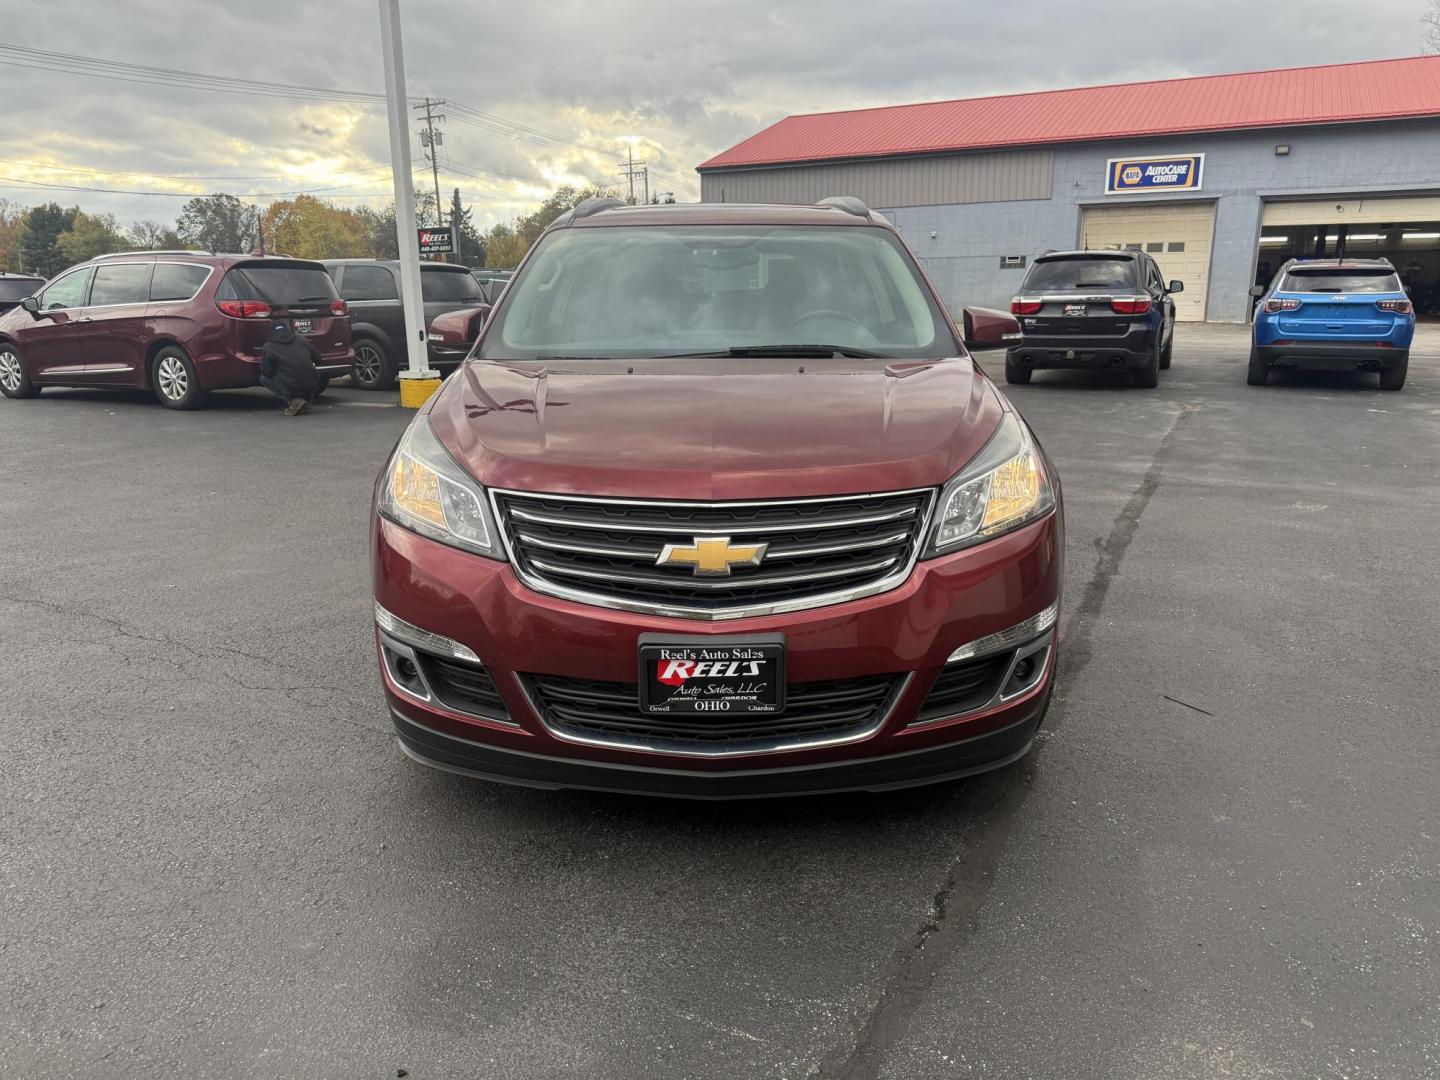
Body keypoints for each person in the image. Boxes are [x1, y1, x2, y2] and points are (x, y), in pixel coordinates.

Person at [259, 320, 322, 415]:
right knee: (305, 373)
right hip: (313, 383)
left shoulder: (269, 346)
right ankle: (306, 399)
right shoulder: (301, 339)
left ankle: (293, 402)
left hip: (292, 385)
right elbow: (318, 359)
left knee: (264, 378)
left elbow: (267, 372)